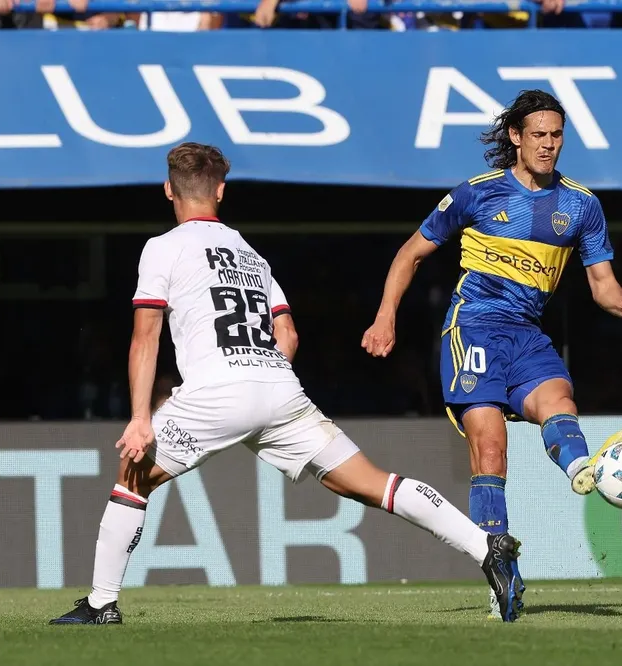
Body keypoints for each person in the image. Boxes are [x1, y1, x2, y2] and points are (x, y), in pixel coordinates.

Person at [50, 142, 523, 626]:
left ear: (169, 189)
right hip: (279, 387)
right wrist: (262, 383)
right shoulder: (250, 254)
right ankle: (485, 544)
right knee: (370, 483)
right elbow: (289, 335)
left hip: (215, 390)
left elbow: (145, 338)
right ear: (221, 191)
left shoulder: (162, 248)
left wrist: (139, 419)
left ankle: (101, 604)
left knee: (132, 479)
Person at [362, 90, 622, 617]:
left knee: (560, 400)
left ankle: (581, 467)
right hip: (474, 327)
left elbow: (602, 284)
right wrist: (385, 316)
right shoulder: (477, 194)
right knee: (490, 448)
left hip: (527, 334)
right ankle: (499, 572)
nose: (549, 145)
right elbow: (410, 253)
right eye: (538, 135)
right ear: (515, 137)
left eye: (557, 135)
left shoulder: (582, 205)